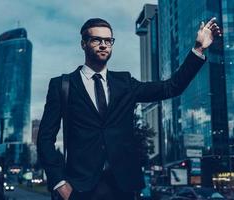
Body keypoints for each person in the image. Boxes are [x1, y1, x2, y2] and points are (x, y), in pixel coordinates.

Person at [37, 17, 220, 200]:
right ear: (83, 44)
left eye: (108, 41)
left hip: (122, 187)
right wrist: (59, 182)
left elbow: (171, 87)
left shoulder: (125, 83)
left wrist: (198, 49)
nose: (103, 45)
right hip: (79, 188)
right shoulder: (63, 85)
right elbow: (45, 138)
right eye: (96, 40)